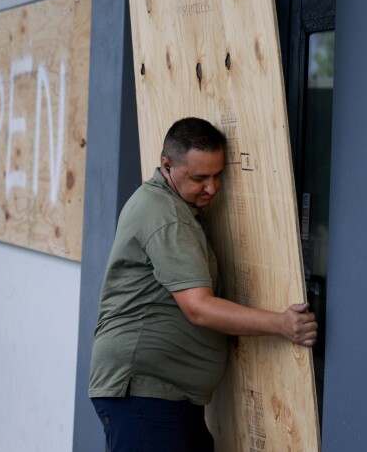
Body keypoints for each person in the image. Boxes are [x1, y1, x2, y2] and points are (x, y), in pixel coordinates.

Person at [89, 117, 316, 452]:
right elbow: (198, 307)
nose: (211, 187)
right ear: (167, 165)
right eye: (199, 178)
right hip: (143, 395)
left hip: (164, 397)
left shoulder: (175, 208)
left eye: (217, 175)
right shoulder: (164, 215)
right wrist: (283, 323)